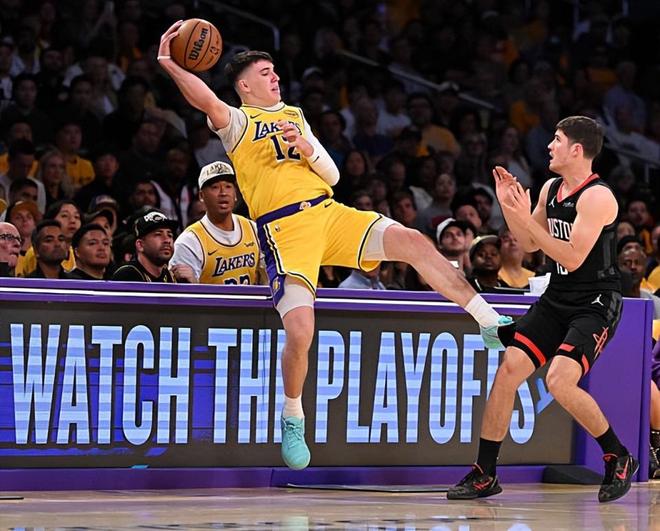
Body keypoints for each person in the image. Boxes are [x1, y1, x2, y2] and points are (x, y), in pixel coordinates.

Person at [157, 23, 511, 471]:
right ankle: (293, 416)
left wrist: (307, 147)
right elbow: (205, 99)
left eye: (275, 71)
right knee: (301, 331)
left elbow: (334, 176)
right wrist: (170, 64)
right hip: (285, 229)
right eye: (265, 73)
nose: (275, 77)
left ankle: (487, 321)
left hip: (328, 212)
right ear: (244, 86)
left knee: (413, 241)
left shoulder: (295, 114)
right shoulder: (238, 123)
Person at [449, 116, 637, 503]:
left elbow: (572, 255)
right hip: (558, 296)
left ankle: (617, 455)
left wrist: (524, 219)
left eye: (557, 139)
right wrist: (509, 207)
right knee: (508, 371)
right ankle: (485, 473)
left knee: (559, 380)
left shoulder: (598, 197)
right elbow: (530, 245)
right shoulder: (551, 188)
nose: (550, 146)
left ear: (576, 150)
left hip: (595, 302)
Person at [170, 161, 263, 285]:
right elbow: (183, 294)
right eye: (215, 187)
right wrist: (192, 283)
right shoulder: (189, 242)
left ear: (235, 194)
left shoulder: (254, 229)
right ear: (201, 196)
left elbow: (269, 279)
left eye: (228, 186)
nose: (223, 193)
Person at [111, 210, 177, 283]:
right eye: (158, 234)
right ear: (140, 245)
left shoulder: (171, 277)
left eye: (169, 235)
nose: (167, 240)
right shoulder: (127, 276)